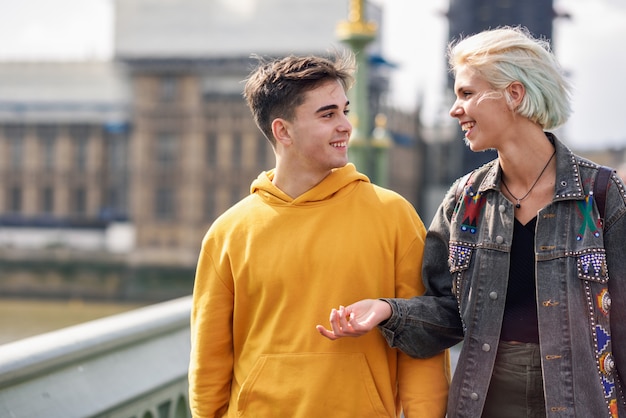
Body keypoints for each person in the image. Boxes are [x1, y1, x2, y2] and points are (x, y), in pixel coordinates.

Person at [317, 26, 626, 417]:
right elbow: (448, 312)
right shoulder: (465, 200)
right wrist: (387, 311)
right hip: (485, 404)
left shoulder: (598, 193)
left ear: (514, 95)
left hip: (583, 404)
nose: (454, 109)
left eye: (466, 93)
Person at [188, 51, 450, 418]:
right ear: (283, 131)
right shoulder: (229, 232)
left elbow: (421, 345)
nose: (346, 124)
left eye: (344, 110)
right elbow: (209, 359)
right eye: (328, 114)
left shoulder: (393, 216)